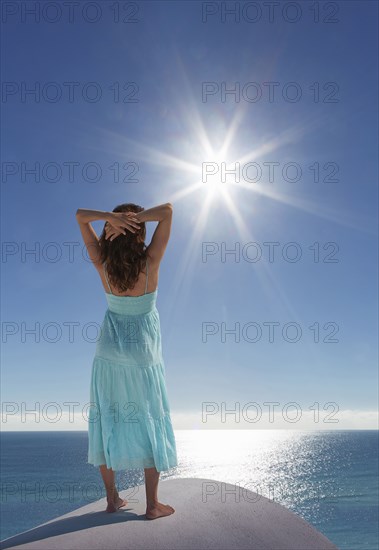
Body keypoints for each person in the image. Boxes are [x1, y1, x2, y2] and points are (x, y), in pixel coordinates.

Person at [76, 202, 178, 520]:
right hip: (144, 355)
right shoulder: (151, 263)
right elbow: (168, 211)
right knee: (150, 420)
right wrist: (135, 220)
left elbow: (80, 216)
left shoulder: (102, 263)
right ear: (137, 233)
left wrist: (109, 219)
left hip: (107, 353)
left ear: (114, 230)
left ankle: (112, 499)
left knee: (106, 419)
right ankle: (151, 505)